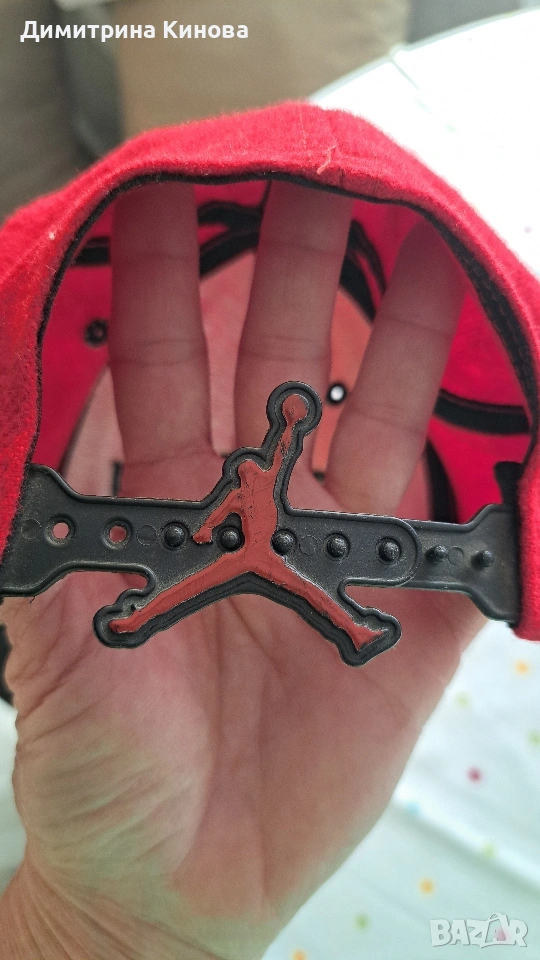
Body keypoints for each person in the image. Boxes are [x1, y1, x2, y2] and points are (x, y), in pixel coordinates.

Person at [0, 181, 483, 959]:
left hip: (256, 554)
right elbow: (241, 494)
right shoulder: (252, 473)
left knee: (239, 592)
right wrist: (97, 928)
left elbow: (266, 470)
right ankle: (297, 622)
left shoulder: (263, 468)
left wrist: (103, 931)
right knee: (246, 592)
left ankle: (196, 616)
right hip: (249, 554)